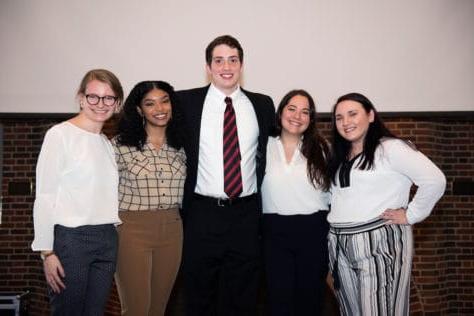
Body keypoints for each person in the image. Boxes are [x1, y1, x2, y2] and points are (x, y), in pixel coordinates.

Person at [176, 35, 275, 315]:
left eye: (233, 60)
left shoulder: (262, 104)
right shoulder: (185, 103)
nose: (226, 66)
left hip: (246, 215)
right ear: (208, 66)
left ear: (241, 65)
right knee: (198, 294)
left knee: (242, 296)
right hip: (202, 214)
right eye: (218, 60)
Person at [327, 92, 446, 315]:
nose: (346, 122)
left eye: (353, 114)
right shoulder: (340, 156)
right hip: (341, 244)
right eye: (339, 117)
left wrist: (411, 214)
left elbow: (435, 179)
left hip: (378, 241)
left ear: (371, 115)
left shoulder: (391, 148)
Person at [31, 69, 124, 315]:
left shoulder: (105, 143)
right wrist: (47, 252)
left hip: (107, 239)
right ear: (81, 98)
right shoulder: (60, 135)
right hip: (72, 241)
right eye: (93, 96)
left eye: (108, 98)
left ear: (117, 103)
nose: (100, 104)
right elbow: (45, 196)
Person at [112, 81, 185, 316]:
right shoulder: (119, 146)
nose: (159, 108)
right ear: (139, 109)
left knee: (158, 308)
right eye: (150, 103)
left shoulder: (183, 146)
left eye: (164, 101)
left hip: (173, 229)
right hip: (131, 229)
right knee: (136, 308)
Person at [261, 90, 331, 316]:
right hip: (273, 232)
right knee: (277, 300)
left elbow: (336, 194)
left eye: (305, 112)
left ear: (311, 119)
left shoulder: (323, 148)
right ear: (281, 112)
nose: (297, 116)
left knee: (310, 299)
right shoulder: (263, 146)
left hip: (314, 230)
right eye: (292, 109)